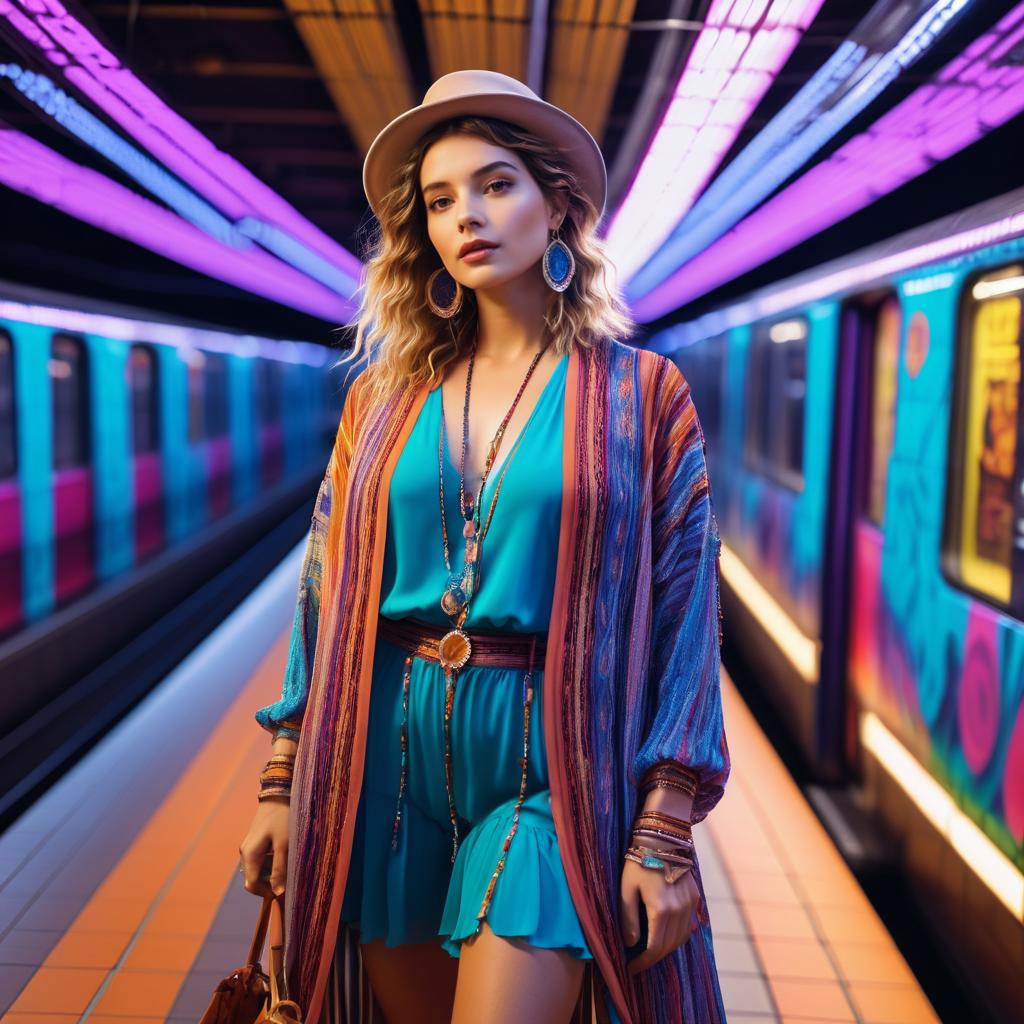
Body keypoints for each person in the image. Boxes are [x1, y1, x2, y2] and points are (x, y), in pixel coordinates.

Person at [238, 69, 730, 1024]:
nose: (467, 214)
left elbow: (685, 614)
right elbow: (321, 591)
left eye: (497, 184)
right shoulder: (379, 401)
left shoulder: (643, 395)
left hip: (553, 765)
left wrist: (665, 826)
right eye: (440, 199)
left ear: (558, 209)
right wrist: (282, 781)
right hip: (384, 760)